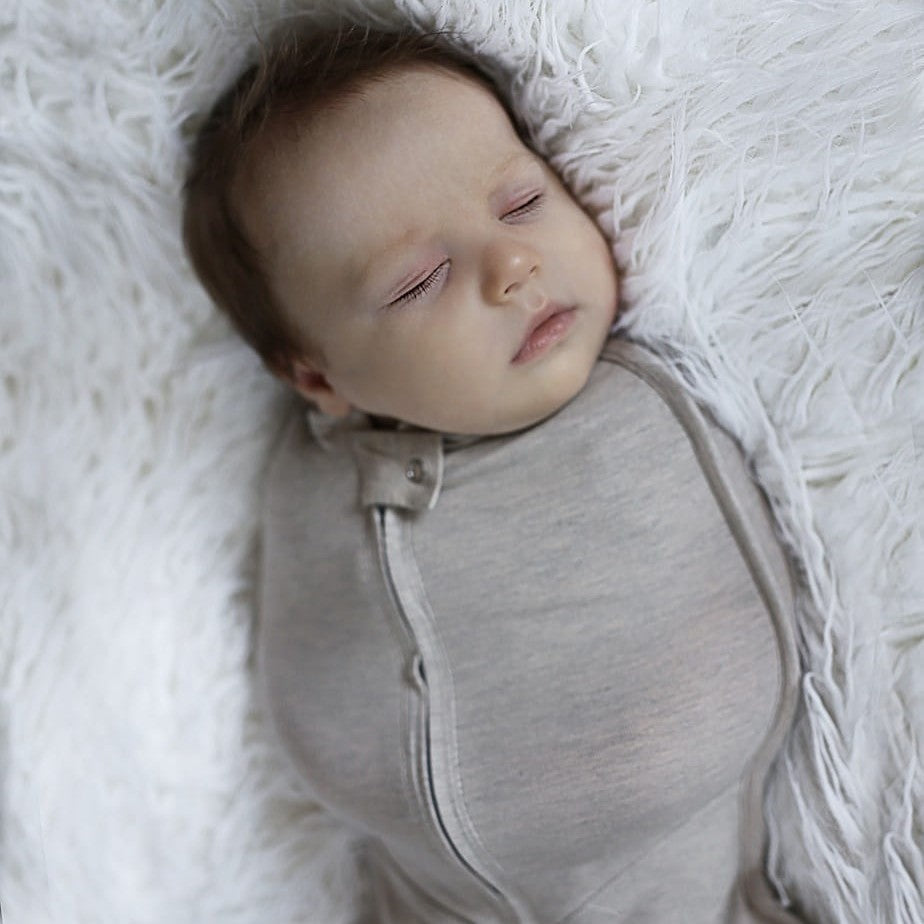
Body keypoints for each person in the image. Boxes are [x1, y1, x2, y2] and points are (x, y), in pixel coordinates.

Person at [182, 19, 805, 924]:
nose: (513, 264)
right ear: (318, 379)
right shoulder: (301, 482)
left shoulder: (639, 420)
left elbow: (720, 689)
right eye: (419, 281)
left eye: (520, 204)